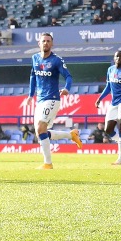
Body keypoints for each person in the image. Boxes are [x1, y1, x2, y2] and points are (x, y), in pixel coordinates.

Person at [28, 32, 83, 169]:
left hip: (52, 98)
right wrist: (30, 95)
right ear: (39, 43)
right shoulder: (35, 58)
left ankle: (48, 163)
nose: (46, 43)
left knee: (41, 127)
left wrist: (66, 88)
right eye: (43, 41)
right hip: (40, 100)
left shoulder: (56, 60)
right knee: (41, 132)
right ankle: (71, 135)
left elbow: (68, 76)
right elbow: (33, 77)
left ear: (52, 44)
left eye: (48, 41)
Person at [95, 50, 121, 165]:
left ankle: (120, 159)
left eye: (120, 56)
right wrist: (100, 98)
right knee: (108, 129)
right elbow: (108, 87)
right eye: (116, 56)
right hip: (114, 103)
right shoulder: (110, 70)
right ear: (114, 58)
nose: (118, 58)